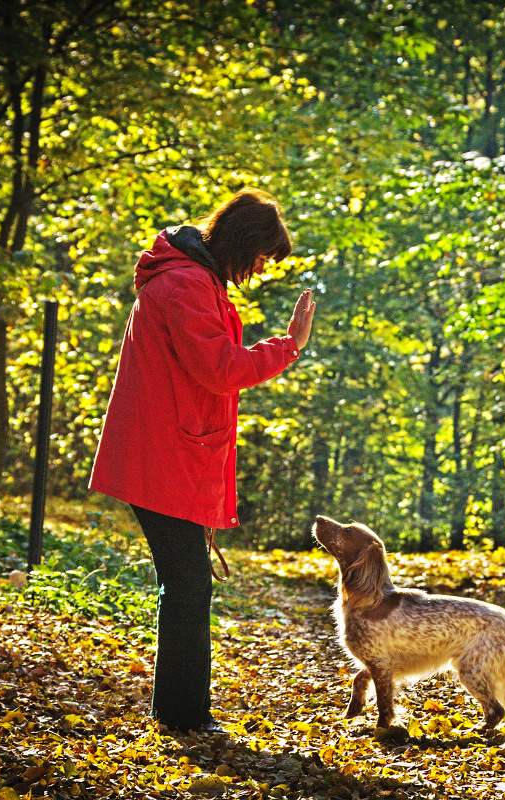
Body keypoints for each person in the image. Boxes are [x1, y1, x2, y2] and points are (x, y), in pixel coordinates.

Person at [89, 188, 316, 735]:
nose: (260, 270)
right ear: (243, 242)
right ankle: (184, 716)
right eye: (261, 258)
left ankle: (181, 712)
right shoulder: (185, 284)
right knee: (188, 584)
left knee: (186, 583)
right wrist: (289, 346)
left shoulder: (195, 279)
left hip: (169, 453)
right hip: (160, 457)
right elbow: (219, 368)